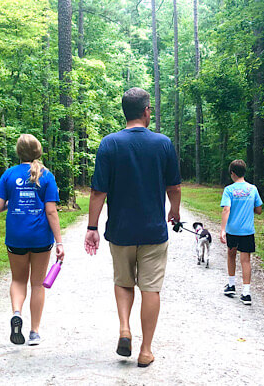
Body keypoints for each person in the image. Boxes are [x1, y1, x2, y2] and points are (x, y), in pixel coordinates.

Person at [84, 87, 181, 368]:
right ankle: (145, 350)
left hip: (121, 230)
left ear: (125, 112)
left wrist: (92, 226)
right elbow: (173, 186)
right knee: (150, 289)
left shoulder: (109, 144)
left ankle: (124, 329)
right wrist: (174, 212)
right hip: (153, 231)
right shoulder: (163, 143)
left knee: (124, 282)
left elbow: (97, 192)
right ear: (146, 111)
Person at [0, 134, 64, 346]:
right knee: (38, 284)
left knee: (18, 280)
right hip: (41, 237)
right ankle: (34, 332)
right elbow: (51, 211)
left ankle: (17, 313)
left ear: (18, 152)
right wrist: (59, 242)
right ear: (38, 151)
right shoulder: (47, 175)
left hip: (16, 236)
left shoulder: (9, 174)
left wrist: (11, 202)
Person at [220, 159, 263, 305]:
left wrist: (222, 230)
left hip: (233, 230)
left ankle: (231, 285)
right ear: (244, 172)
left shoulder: (229, 190)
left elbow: (226, 209)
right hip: (247, 231)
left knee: (231, 255)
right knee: (246, 260)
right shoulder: (253, 189)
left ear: (232, 173)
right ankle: (246, 293)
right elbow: (259, 210)